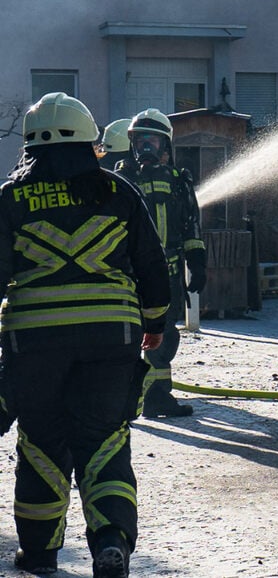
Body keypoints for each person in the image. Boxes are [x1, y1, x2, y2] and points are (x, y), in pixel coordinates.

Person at [0, 92, 170, 576]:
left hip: (33, 346)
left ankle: (38, 554)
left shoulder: (10, 198)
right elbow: (152, 268)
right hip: (109, 341)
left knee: (41, 446)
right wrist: (154, 325)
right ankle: (111, 543)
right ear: (92, 141)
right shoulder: (118, 192)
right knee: (106, 442)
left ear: (31, 144)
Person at [126, 108, 206, 418]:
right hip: (129, 274)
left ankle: (157, 395)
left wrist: (197, 264)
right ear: (132, 144)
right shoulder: (122, 179)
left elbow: (192, 227)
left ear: (166, 146)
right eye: (141, 140)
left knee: (165, 334)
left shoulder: (179, 181)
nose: (146, 146)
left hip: (168, 272)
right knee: (128, 335)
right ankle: (128, 395)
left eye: (153, 141)